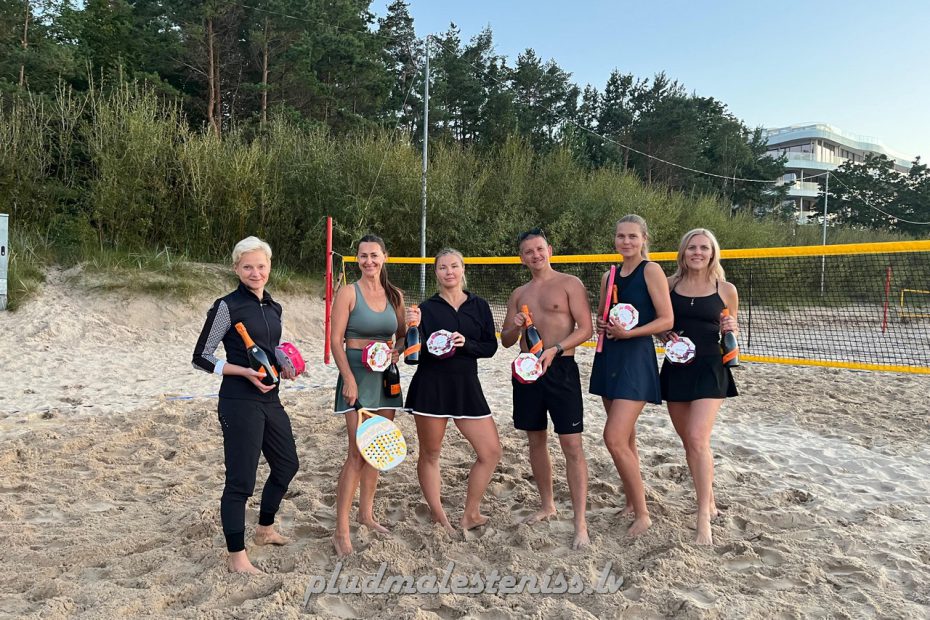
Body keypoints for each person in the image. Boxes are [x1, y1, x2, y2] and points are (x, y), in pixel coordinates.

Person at [192, 236, 300, 574]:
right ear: (236, 269)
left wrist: (283, 364)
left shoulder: (273, 306)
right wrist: (244, 372)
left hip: (270, 398)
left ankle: (265, 529)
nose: (256, 273)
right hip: (238, 400)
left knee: (287, 465)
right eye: (248, 267)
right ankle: (237, 556)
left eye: (261, 266)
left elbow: (268, 348)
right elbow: (201, 356)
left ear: (269, 267)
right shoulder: (227, 306)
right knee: (240, 481)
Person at [500, 228, 594, 550]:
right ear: (521, 257)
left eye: (539, 249)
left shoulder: (569, 284)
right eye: (528, 251)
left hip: (561, 367)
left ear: (549, 250)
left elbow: (586, 329)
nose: (535, 255)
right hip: (527, 370)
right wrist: (514, 327)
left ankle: (580, 522)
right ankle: (547, 505)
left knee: (571, 444)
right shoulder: (519, 293)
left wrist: (556, 349)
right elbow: (506, 341)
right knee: (535, 439)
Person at [404, 249, 502, 534]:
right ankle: (439, 516)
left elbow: (490, 347)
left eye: (454, 266)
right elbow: (413, 354)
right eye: (443, 267)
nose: (449, 272)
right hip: (431, 385)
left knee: (491, 452)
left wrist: (466, 343)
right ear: (436, 272)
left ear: (463, 269)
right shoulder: (426, 308)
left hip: (466, 385)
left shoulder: (479, 305)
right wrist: (411, 326)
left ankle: (471, 513)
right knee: (430, 454)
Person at [589, 215, 673, 537]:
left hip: (635, 358)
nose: (626, 241)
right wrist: (601, 324)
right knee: (626, 438)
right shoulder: (608, 275)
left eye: (632, 236)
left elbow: (666, 319)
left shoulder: (650, 270)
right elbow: (603, 316)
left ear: (644, 239)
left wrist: (631, 333)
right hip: (609, 355)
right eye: (621, 236)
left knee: (613, 438)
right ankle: (630, 501)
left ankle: (643, 514)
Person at [660, 228, 739, 545]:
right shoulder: (669, 285)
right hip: (677, 366)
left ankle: (703, 517)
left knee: (696, 437)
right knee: (691, 443)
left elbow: (730, 330)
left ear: (712, 253)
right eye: (692, 247)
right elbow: (659, 323)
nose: (698, 252)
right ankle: (711, 499)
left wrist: (731, 327)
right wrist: (662, 335)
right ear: (683, 252)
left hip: (710, 366)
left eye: (704, 248)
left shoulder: (725, 289)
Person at [330, 234, 407, 556]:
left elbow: (402, 337)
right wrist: (348, 379)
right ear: (358, 259)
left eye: (374, 255)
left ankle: (366, 514)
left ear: (385, 256)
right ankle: (341, 530)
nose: (369, 261)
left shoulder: (395, 295)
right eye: (363, 256)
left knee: (376, 449)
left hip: (385, 377)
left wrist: (398, 350)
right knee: (357, 453)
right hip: (357, 376)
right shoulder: (349, 292)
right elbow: (335, 341)